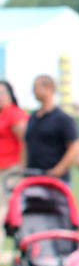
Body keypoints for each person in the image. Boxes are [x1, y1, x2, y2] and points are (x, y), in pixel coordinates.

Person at [22, 74, 79, 183]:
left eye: (36, 87)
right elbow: (26, 145)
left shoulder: (62, 118)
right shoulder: (33, 117)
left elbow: (75, 147)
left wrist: (58, 170)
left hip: (55, 181)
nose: (33, 91)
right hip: (32, 178)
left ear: (49, 88)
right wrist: (23, 169)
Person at [0, 80, 29, 209]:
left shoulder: (14, 113)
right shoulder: (3, 114)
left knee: (7, 207)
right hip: (3, 168)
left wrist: (22, 168)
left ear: (8, 95)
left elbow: (25, 141)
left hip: (12, 168)